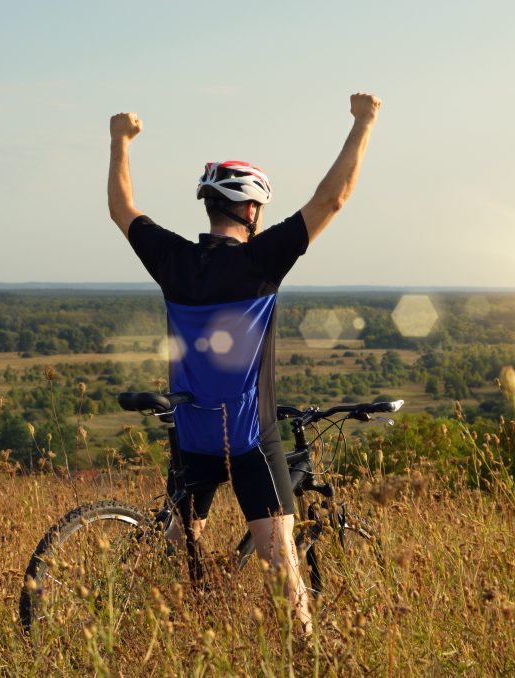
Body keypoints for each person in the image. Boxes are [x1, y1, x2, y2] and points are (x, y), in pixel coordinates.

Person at [107, 92, 381, 634]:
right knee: (280, 561)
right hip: (250, 438)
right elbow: (334, 198)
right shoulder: (261, 260)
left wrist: (119, 140)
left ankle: (152, 624)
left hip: (192, 432)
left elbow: (122, 208)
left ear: (211, 207)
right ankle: (306, 658)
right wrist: (364, 122)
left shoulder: (174, 259)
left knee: (181, 543)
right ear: (251, 210)